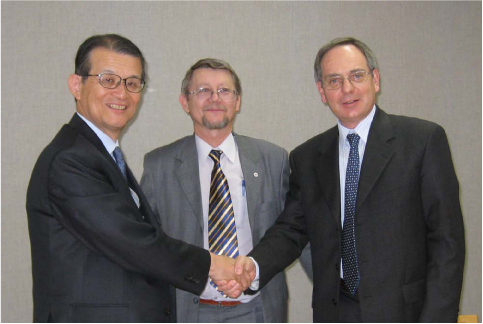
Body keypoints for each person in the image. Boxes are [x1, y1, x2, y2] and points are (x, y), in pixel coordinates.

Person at [233, 37, 465, 322]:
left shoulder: (422, 141)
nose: (347, 89)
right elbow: (292, 229)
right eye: (334, 81)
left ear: (375, 80)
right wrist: (255, 266)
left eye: (357, 76)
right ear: (322, 91)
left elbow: (447, 241)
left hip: (407, 313)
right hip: (336, 311)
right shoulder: (307, 158)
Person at [26, 34, 248, 323]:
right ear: (76, 85)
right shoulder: (70, 160)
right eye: (108, 80)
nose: (121, 93)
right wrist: (211, 264)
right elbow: (132, 242)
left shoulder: (103, 156)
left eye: (132, 83)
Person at [140, 58, 311, 322]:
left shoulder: (273, 160)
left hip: (258, 309)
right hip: (190, 312)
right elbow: (148, 245)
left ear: (237, 101)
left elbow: (294, 230)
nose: (214, 98)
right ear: (185, 102)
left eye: (224, 90)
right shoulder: (158, 166)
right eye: (203, 90)